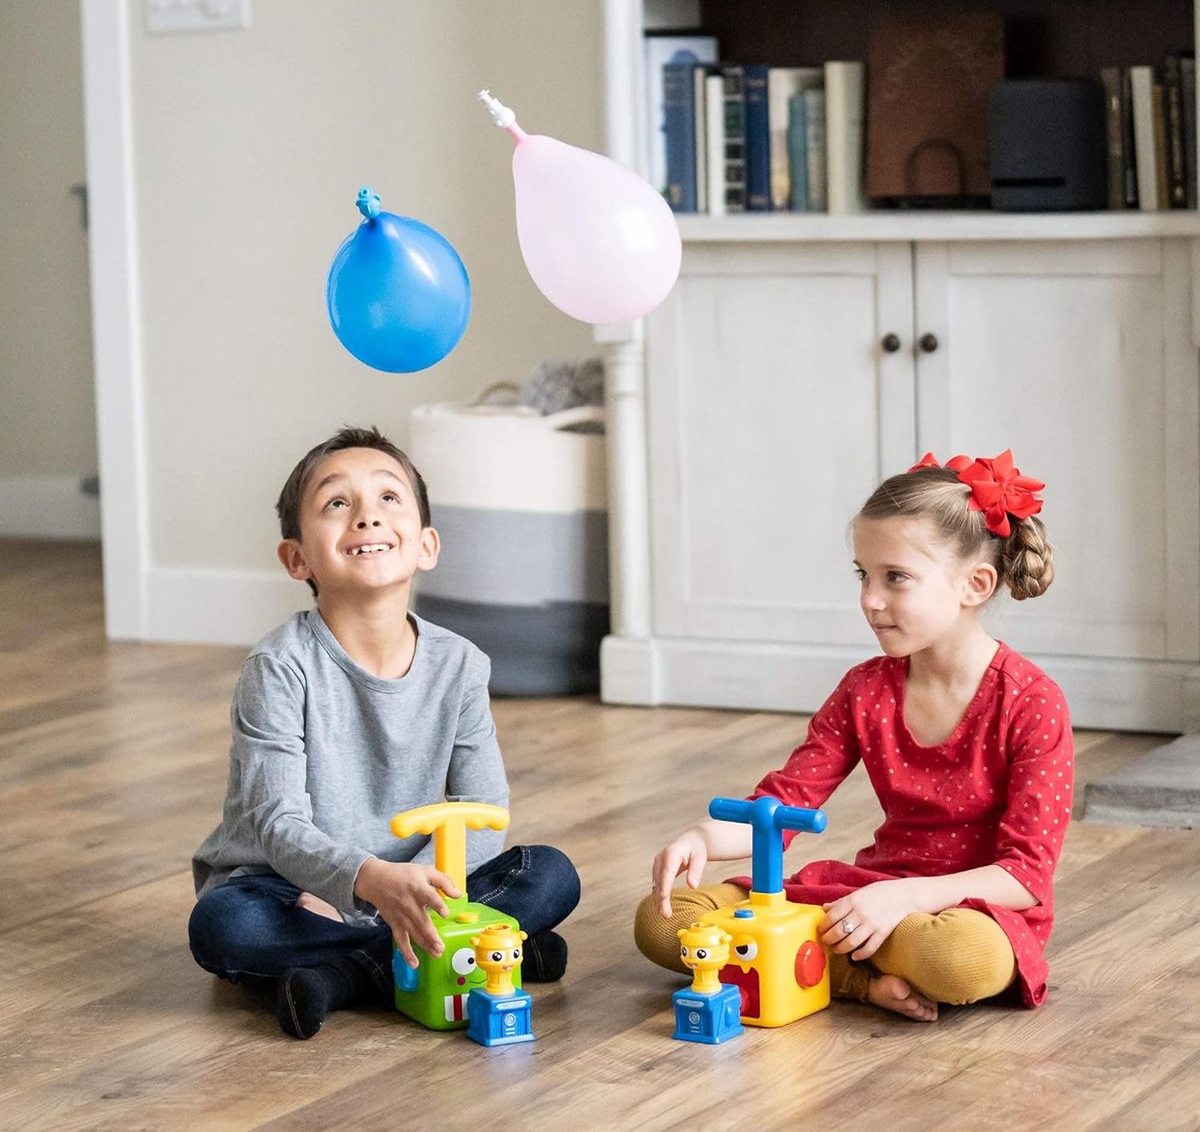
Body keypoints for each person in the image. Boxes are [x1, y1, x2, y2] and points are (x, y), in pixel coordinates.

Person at [635, 450, 1072, 1022]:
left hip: (970, 912)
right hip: (866, 889)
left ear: (975, 584)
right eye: (864, 575)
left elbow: (1025, 875)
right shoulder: (865, 688)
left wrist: (905, 900)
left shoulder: (1032, 702)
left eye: (896, 578)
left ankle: (809, 959)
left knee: (960, 960)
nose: (870, 598)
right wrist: (701, 837)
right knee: (663, 921)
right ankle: (856, 978)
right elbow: (786, 801)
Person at [189, 426, 580, 1039]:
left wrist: (427, 891)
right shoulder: (279, 668)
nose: (367, 517)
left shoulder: (461, 664)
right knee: (224, 927)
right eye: (337, 503)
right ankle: (469, 956)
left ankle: (344, 974)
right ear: (296, 558)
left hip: (426, 876)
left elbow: (485, 811)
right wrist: (360, 886)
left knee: (552, 873)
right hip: (293, 888)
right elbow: (277, 823)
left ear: (426, 545)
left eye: (389, 498)